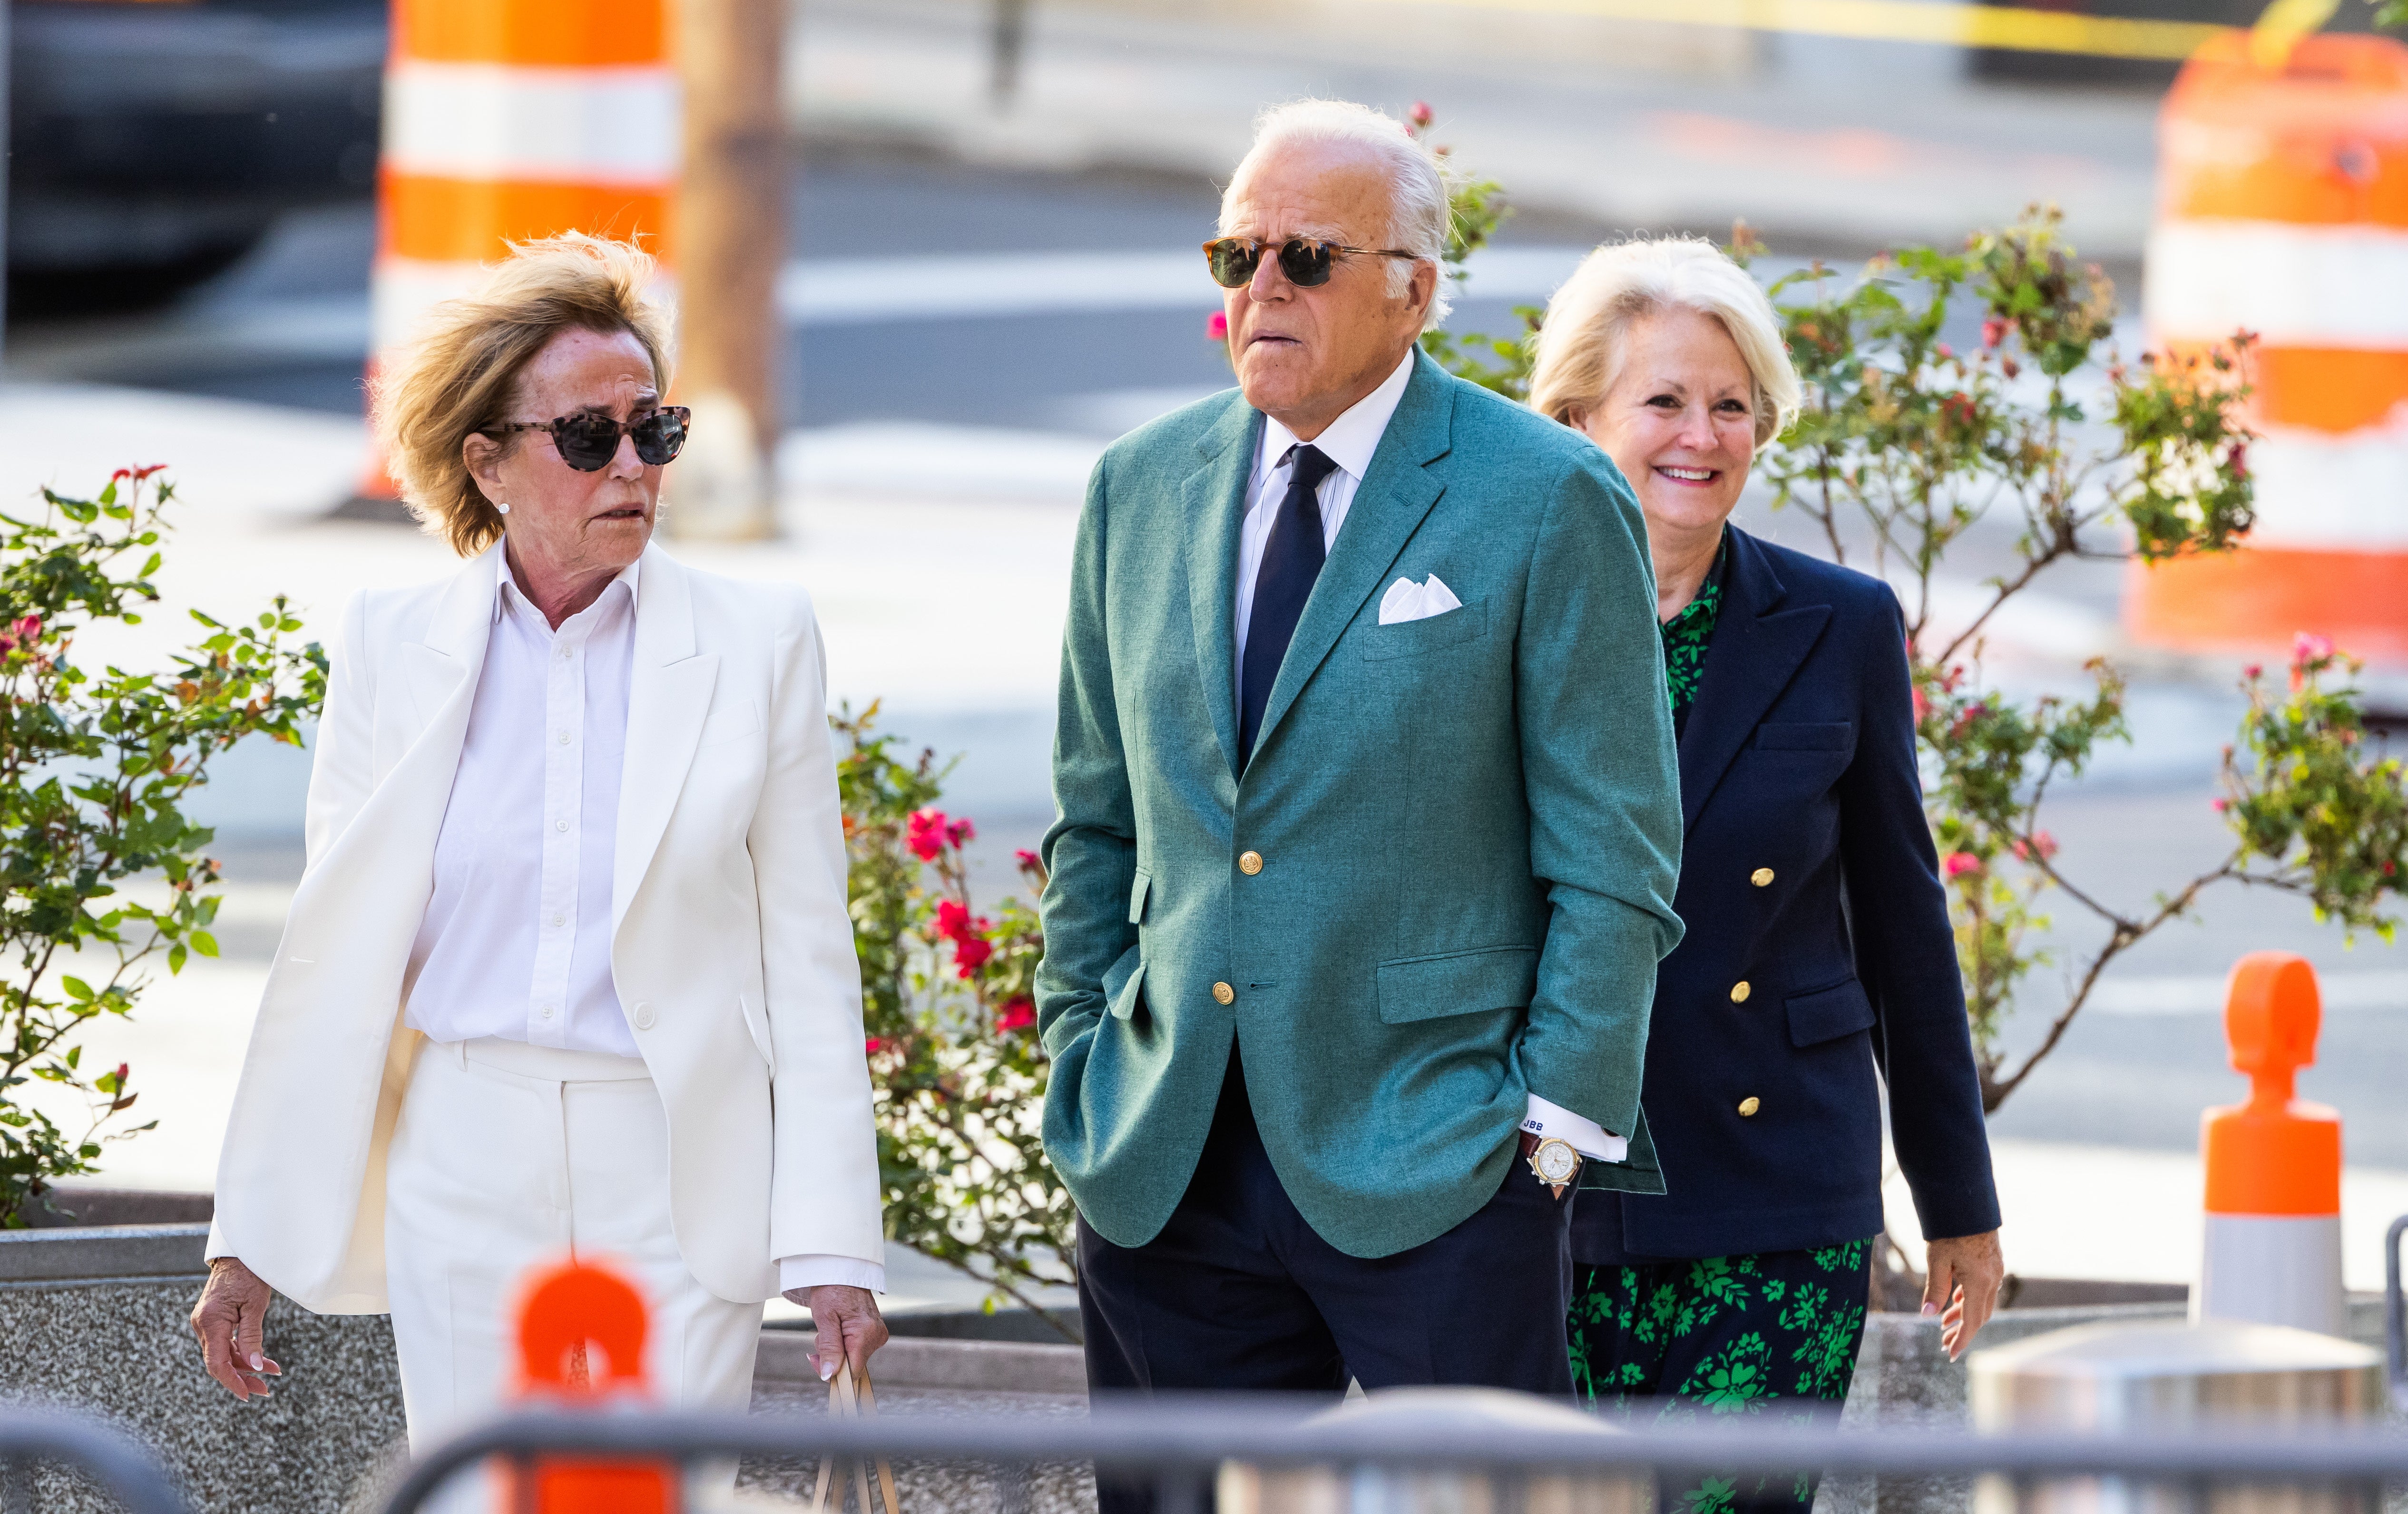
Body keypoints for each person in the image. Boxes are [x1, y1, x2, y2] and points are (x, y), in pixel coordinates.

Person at [1036, 98, 1685, 1480]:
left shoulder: (1547, 494)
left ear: (1414, 290)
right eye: (1237, 257)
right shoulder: (1136, 488)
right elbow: (1095, 821)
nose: (1263, 286)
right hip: (1166, 1154)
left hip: (1438, 1156)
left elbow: (1615, 849)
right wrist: (1080, 1057)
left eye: (1307, 258)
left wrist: (1555, 1129)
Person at [187, 235, 887, 1490]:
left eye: (653, 433)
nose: (632, 467)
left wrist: (837, 1242)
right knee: (474, 1500)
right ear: (489, 461)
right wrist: (249, 1236)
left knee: (659, 1505)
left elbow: (809, 957)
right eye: (587, 438)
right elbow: (334, 966)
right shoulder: (390, 642)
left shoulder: (758, 641)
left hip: (676, 1166)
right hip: (465, 1160)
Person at [1528, 237, 2004, 1510]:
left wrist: (1957, 1201)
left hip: (1779, 1193)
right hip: (1549, 1186)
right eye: (1664, 401)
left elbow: (1905, 922)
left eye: (1731, 404)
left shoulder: (1839, 623)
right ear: (1578, 418)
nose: (1702, 435)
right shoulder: (1503, 615)